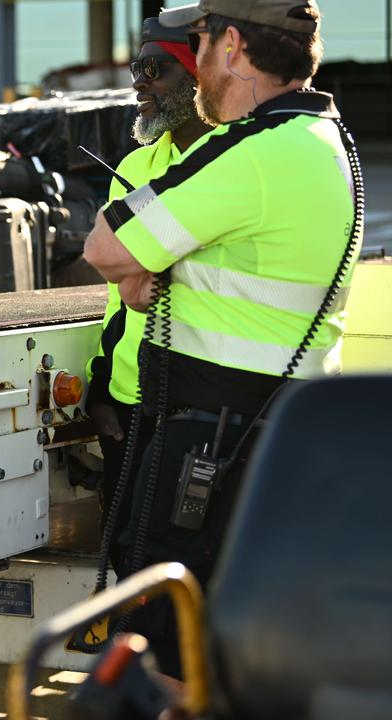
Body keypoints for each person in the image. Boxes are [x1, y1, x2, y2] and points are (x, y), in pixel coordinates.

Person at [84, 0, 357, 675]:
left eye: (201, 38)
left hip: (210, 440)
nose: (196, 57)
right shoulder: (323, 138)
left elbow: (105, 246)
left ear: (233, 46)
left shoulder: (251, 153)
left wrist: (138, 269)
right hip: (275, 431)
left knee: (165, 638)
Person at [86, 16, 211, 575]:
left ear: (198, 77)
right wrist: (102, 383)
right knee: (125, 551)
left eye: (154, 69)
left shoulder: (229, 161)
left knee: (177, 559)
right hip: (130, 399)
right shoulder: (135, 166)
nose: (139, 82)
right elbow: (118, 293)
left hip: (200, 404)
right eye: (136, 69)